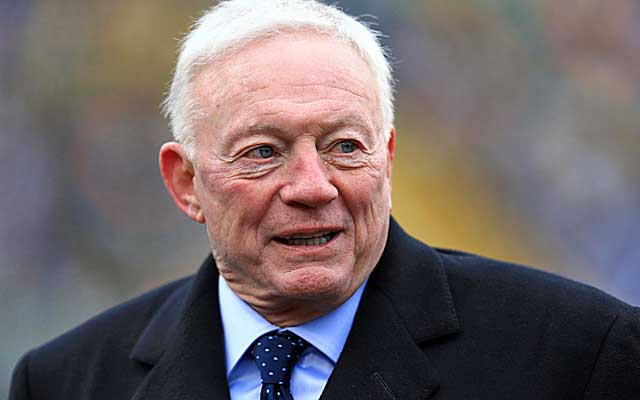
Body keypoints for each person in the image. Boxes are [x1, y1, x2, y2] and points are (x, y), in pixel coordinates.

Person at [9, 0, 640, 399]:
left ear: (386, 158)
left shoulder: (579, 356)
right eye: (264, 151)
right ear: (186, 183)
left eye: (343, 146)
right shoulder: (66, 381)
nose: (313, 186)